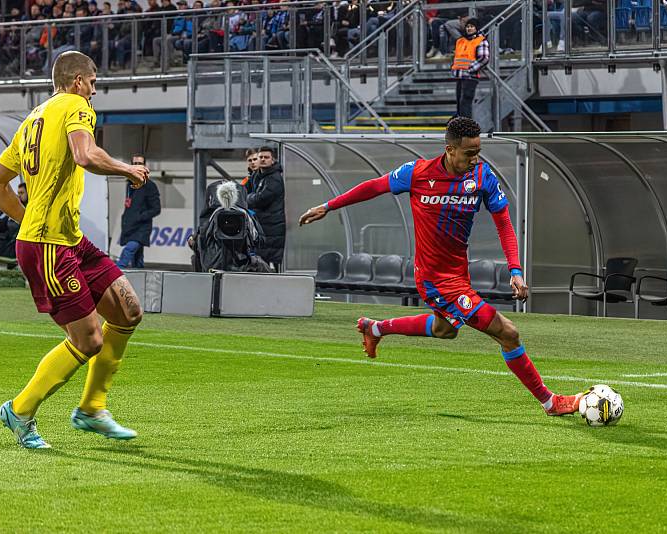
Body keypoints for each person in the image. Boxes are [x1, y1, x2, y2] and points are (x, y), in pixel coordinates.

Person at [299, 117, 584, 417]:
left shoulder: (483, 177)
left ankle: (376, 328)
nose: (476, 159)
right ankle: (550, 402)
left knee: (444, 330)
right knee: (508, 332)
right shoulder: (417, 173)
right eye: (469, 153)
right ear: (449, 150)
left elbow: (503, 223)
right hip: (435, 279)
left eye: (479, 151)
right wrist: (327, 207)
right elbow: (373, 187)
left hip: (459, 274)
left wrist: (515, 269)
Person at [0, 51, 150, 449]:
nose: (94, 91)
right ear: (78, 81)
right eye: (93, 82)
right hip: (48, 245)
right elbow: (85, 155)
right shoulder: (77, 106)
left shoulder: (31, 121)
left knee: (128, 311)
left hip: (67, 238)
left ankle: (92, 408)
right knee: (89, 339)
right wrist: (128, 169)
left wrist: (28, 221)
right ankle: (20, 410)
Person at [116, 153, 161, 269]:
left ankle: (114, 274)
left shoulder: (150, 186)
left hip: (141, 229)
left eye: (140, 163)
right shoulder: (129, 185)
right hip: (129, 227)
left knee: (128, 252)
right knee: (137, 260)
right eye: (135, 163)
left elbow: (156, 209)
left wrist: (139, 217)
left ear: (145, 166)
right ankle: (138, 283)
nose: (137, 166)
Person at [248, 146, 286, 272]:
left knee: (268, 264)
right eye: (260, 157)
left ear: (273, 160)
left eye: (266, 157)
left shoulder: (274, 178)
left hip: (272, 229)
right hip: (264, 226)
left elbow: (261, 199)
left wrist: (247, 199)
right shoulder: (258, 176)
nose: (263, 160)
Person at [450, 18, 488, 119]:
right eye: (467, 26)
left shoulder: (480, 40)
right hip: (459, 76)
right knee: (459, 102)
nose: (469, 28)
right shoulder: (460, 41)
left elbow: (484, 58)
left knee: (465, 101)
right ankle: (460, 124)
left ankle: (465, 126)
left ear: (476, 28)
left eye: (471, 26)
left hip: (470, 77)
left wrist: (470, 69)